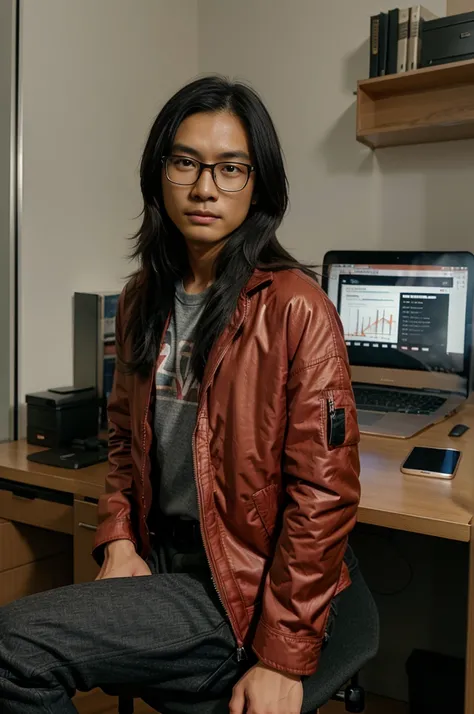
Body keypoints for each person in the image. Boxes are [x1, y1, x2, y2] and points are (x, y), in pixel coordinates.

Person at [0, 76, 360, 714]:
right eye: (186, 162)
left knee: (13, 645)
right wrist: (116, 539)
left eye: (231, 168)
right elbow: (122, 444)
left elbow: (323, 494)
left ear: (259, 184)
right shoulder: (143, 298)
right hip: (158, 557)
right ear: (159, 170)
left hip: (236, 587)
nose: (204, 187)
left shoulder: (296, 308)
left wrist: (282, 655)